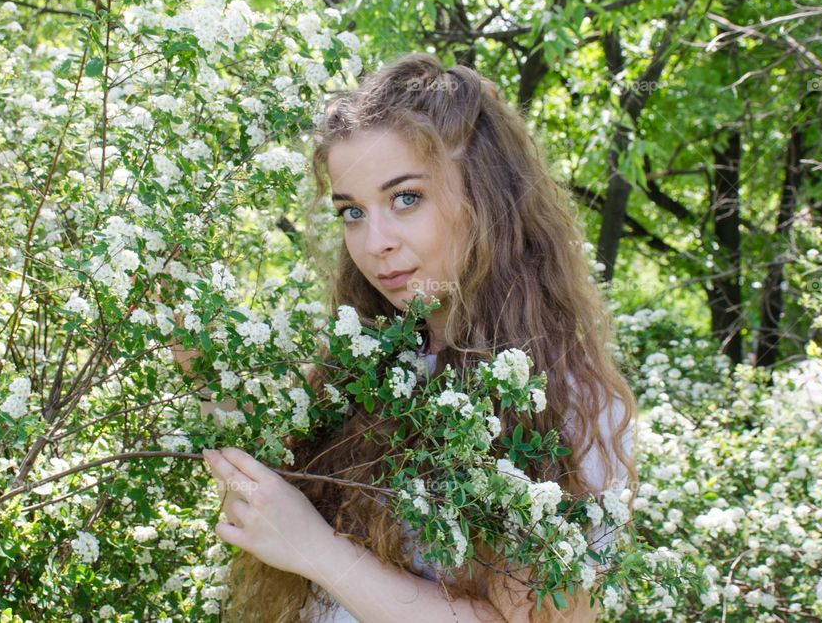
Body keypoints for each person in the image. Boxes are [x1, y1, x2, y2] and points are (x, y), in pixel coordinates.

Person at [177, 52, 636, 622]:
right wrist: (192, 347)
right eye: (352, 212)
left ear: (486, 196)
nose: (375, 243)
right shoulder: (366, 363)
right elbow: (267, 510)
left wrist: (317, 551)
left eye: (406, 198)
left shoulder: (565, 398)